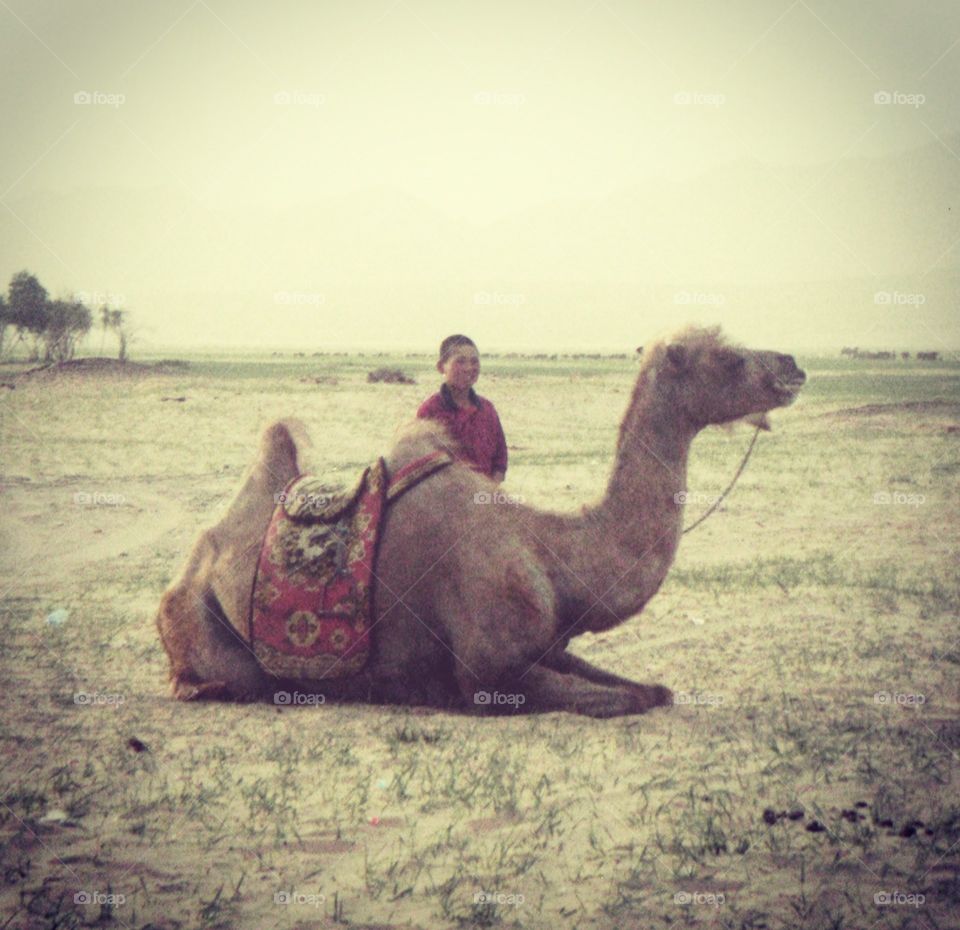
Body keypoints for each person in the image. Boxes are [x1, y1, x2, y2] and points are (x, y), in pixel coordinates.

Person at [417, 334, 507, 482]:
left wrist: (489, 494)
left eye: (474, 362)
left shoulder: (487, 409)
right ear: (441, 367)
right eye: (460, 361)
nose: (468, 368)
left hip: (485, 497)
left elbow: (500, 460)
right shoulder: (430, 412)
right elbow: (422, 467)